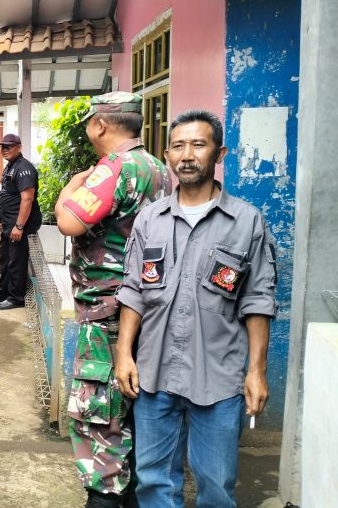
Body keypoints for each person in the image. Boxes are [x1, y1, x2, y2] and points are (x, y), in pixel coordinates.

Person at [114, 110, 277, 508]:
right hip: (154, 373)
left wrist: (256, 372)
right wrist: (123, 353)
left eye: (199, 145)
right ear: (168, 155)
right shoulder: (150, 219)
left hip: (218, 378)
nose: (187, 155)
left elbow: (257, 300)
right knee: (153, 481)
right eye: (179, 146)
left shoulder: (246, 222)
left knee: (217, 486)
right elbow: (134, 288)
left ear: (219, 153)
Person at [54, 91, 172, 508]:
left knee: (98, 408)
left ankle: (105, 495)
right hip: (145, 307)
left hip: (106, 307)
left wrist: (69, 188)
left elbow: (68, 221)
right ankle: (135, 490)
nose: (88, 129)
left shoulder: (114, 169)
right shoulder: (158, 168)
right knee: (136, 402)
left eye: (89, 122)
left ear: (101, 125)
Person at [0, 134, 41, 310]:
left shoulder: (24, 168)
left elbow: (27, 199)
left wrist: (19, 226)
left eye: (9, 146)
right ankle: (4, 292)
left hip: (20, 225)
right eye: (3, 147)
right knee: (6, 258)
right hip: (9, 223)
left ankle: (16, 298)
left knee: (17, 260)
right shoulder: (11, 167)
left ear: (19, 147)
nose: (5, 150)